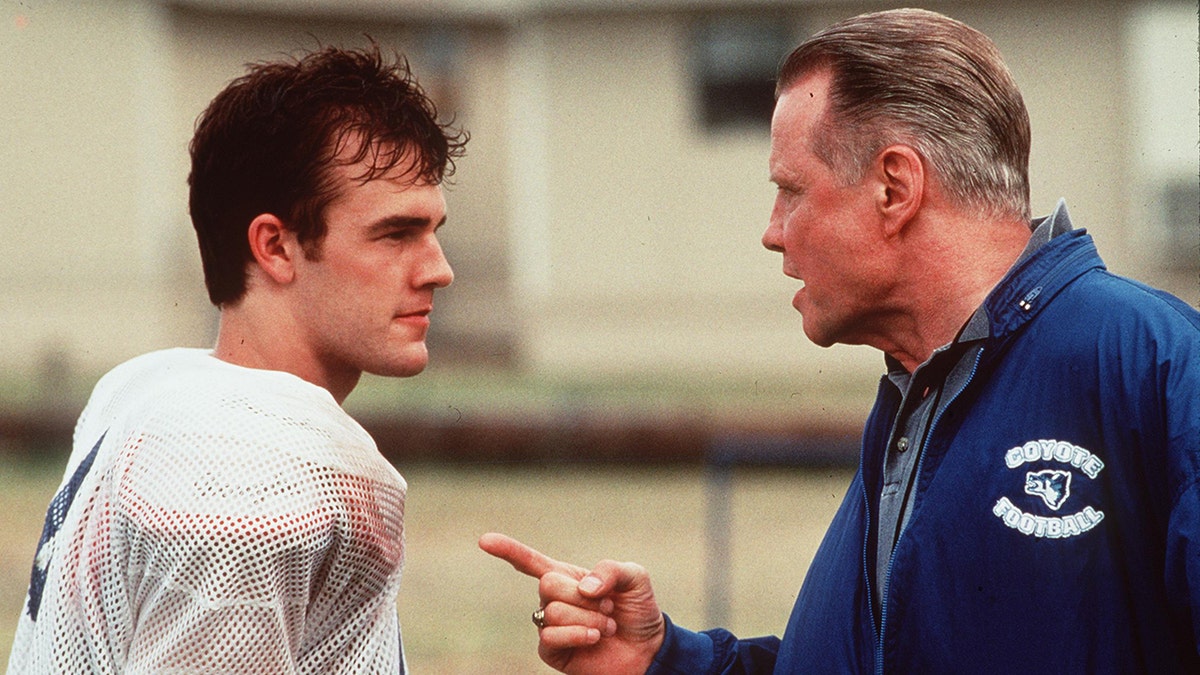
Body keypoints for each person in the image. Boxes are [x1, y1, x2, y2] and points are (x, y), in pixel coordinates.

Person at [481, 7, 1200, 673]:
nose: (771, 230)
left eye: (792, 190)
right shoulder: (917, 396)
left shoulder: (1154, 363)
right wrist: (666, 659)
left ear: (894, 187)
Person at [7, 43, 466, 674]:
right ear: (275, 246)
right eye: (396, 234)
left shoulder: (145, 387)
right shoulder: (251, 470)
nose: (439, 270)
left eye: (434, 231)